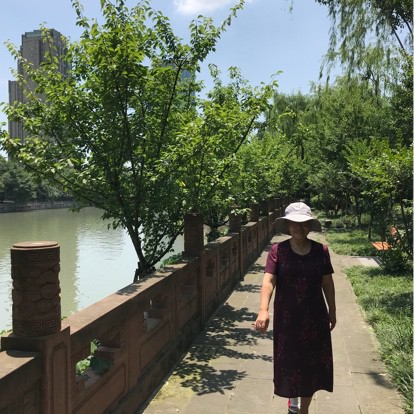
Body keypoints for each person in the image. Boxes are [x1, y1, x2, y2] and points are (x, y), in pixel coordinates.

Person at [254, 202, 336, 414]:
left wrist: (332, 311)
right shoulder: (277, 251)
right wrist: (263, 310)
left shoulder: (321, 251)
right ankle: (293, 399)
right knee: (290, 361)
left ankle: (303, 409)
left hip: (315, 318)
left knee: (310, 364)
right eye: (295, 223)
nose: (299, 227)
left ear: (310, 225)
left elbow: (327, 283)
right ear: (288, 225)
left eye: (304, 223)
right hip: (287, 319)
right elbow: (269, 281)